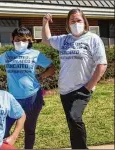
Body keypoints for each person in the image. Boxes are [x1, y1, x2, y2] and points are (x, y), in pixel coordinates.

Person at [42, 9, 107, 149]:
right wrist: (45, 23)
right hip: (65, 90)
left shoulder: (93, 39)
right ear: (68, 23)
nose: (76, 23)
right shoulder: (64, 39)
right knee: (72, 123)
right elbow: (46, 40)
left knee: (74, 117)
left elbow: (102, 65)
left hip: (82, 89)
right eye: (72, 20)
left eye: (79, 20)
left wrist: (88, 87)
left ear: (84, 22)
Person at [0, 27, 56, 149]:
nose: (21, 42)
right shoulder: (8, 55)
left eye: (24, 40)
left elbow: (52, 67)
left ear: (29, 41)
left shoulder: (35, 54)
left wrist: (41, 76)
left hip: (33, 97)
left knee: (29, 129)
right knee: (3, 129)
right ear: (12, 39)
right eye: (18, 39)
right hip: (12, 99)